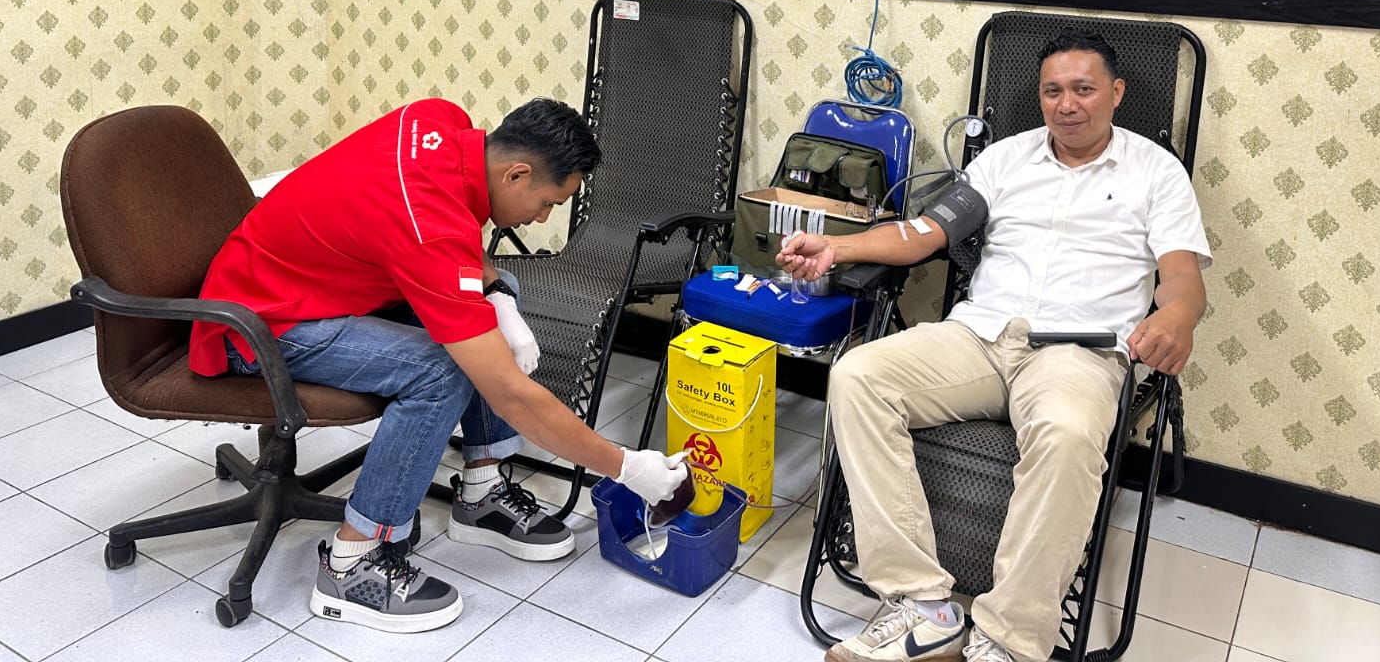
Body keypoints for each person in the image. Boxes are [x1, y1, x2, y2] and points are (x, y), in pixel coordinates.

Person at [778, 34, 1210, 662]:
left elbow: (1182, 277)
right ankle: (924, 608)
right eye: (1053, 91)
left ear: (1116, 93)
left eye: (1083, 89)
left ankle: (1009, 640)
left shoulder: (1156, 171)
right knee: (859, 375)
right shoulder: (1005, 158)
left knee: (1068, 432)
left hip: (1078, 351)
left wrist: (1179, 316)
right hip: (979, 338)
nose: (1066, 105)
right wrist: (838, 248)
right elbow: (923, 232)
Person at [189, 96, 689, 634]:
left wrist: (498, 297)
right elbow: (510, 395)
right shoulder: (432, 228)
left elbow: (452, 241)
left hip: (320, 282)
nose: (543, 217)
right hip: (260, 324)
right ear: (517, 173)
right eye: (548, 202)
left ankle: (481, 493)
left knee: (501, 288)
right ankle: (350, 564)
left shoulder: (439, 120)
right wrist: (626, 467)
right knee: (442, 369)